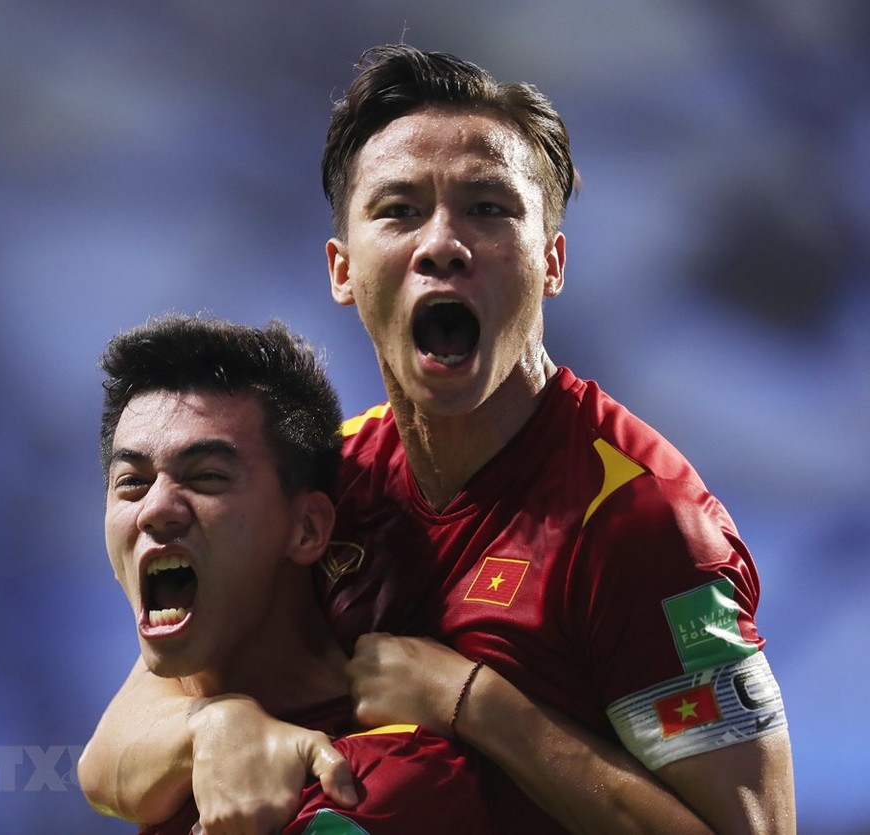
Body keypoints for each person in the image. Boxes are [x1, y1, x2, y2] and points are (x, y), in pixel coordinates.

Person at [80, 45, 795, 833]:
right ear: (342, 270)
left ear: (551, 262)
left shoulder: (643, 525)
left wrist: (481, 706)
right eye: (399, 209)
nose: (442, 242)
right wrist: (209, 726)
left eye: (489, 208)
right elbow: (112, 757)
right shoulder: (332, 477)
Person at [92, 313, 507, 834]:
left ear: (308, 529)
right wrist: (215, 724)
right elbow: (97, 767)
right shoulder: (175, 739)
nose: (154, 509)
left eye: (208, 477)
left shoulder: (385, 781)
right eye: (131, 483)